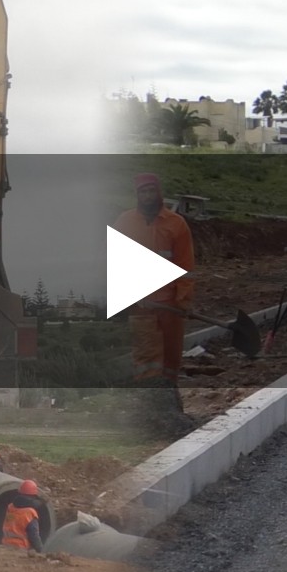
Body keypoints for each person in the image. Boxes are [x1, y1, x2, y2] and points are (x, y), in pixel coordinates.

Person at [113, 172, 196, 436]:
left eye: (151, 191)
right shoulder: (125, 222)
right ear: (137, 195)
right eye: (142, 192)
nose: (147, 196)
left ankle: (171, 411)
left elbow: (185, 266)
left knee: (171, 361)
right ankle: (148, 416)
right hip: (142, 308)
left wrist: (182, 301)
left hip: (170, 307)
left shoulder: (176, 224)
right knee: (147, 362)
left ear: (159, 193)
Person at [1, 479, 45, 555]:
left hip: (6, 545)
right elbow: (34, 535)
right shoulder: (30, 513)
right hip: (21, 548)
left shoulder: (11, 507)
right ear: (34, 495)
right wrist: (41, 551)